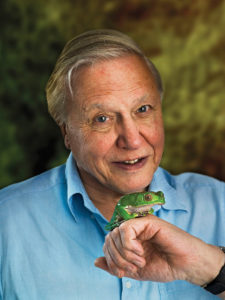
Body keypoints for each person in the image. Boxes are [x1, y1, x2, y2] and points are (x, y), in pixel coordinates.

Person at [0, 29, 224, 300]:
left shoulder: (220, 204)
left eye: (142, 110)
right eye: (102, 118)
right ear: (66, 133)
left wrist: (212, 269)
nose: (131, 140)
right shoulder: (7, 223)